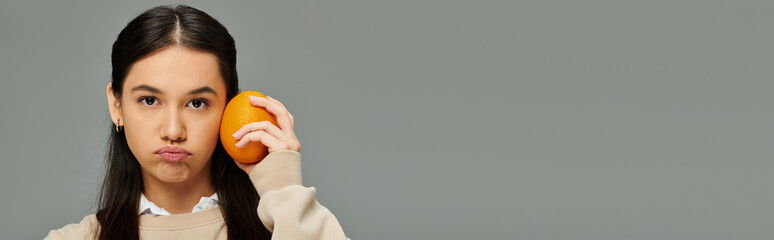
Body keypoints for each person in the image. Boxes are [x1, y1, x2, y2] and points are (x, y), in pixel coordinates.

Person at [45, 4, 349, 240]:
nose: (174, 131)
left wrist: (285, 192)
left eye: (197, 103)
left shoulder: (286, 227)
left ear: (228, 108)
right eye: (150, 100)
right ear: (116, 105)